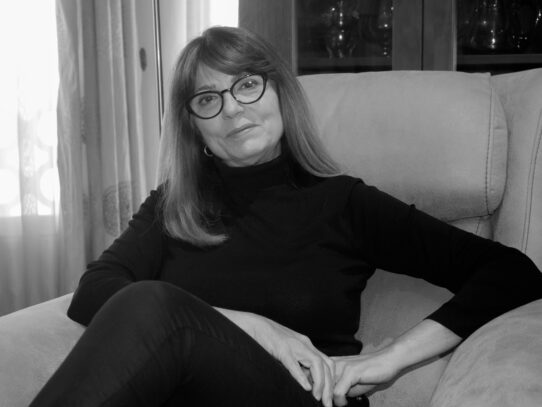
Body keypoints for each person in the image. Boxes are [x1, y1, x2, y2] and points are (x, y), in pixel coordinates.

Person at [31, 26, 542, 407]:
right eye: (208, 99)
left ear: (280, 92)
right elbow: (93, 291)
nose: (232, 109)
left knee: (152, 303)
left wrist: (390, 359)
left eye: (246, 85)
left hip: (301, 397)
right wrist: (253, 326)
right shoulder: (173, 206)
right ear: (194, 128)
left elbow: (511, 272)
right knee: (148, 306)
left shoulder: (342, 203)